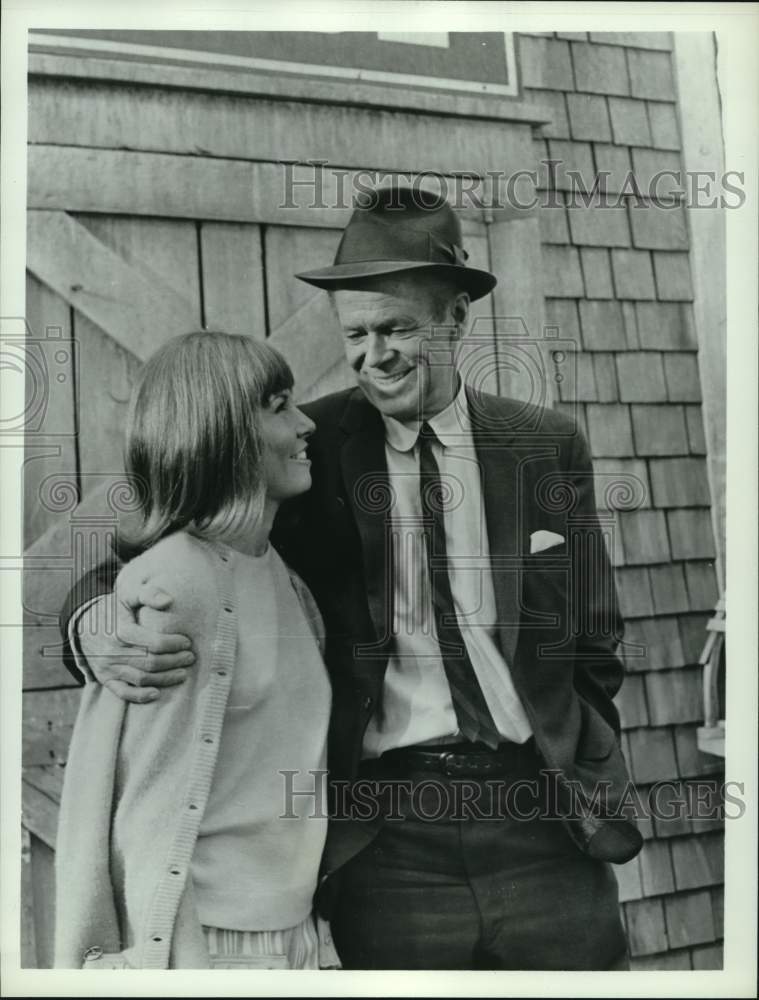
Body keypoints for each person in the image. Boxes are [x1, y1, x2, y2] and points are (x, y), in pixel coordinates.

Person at [60, 185, 643, 970]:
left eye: (398, 327)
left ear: (455, 321)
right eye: (357, 334)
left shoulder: (541, 444)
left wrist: (577, 752)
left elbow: (595, 634)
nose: (376, 355)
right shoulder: (308, 446)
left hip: (537, 816)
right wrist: (92, 622)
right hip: (386, 838)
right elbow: (149, 547)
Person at [54, 331, 341, 970]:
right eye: (279, 405)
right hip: (212, 946)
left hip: (302, 937)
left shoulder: (284, 575)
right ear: (222, 433)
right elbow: (126, 807)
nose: (305, 424)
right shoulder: (174, 583)